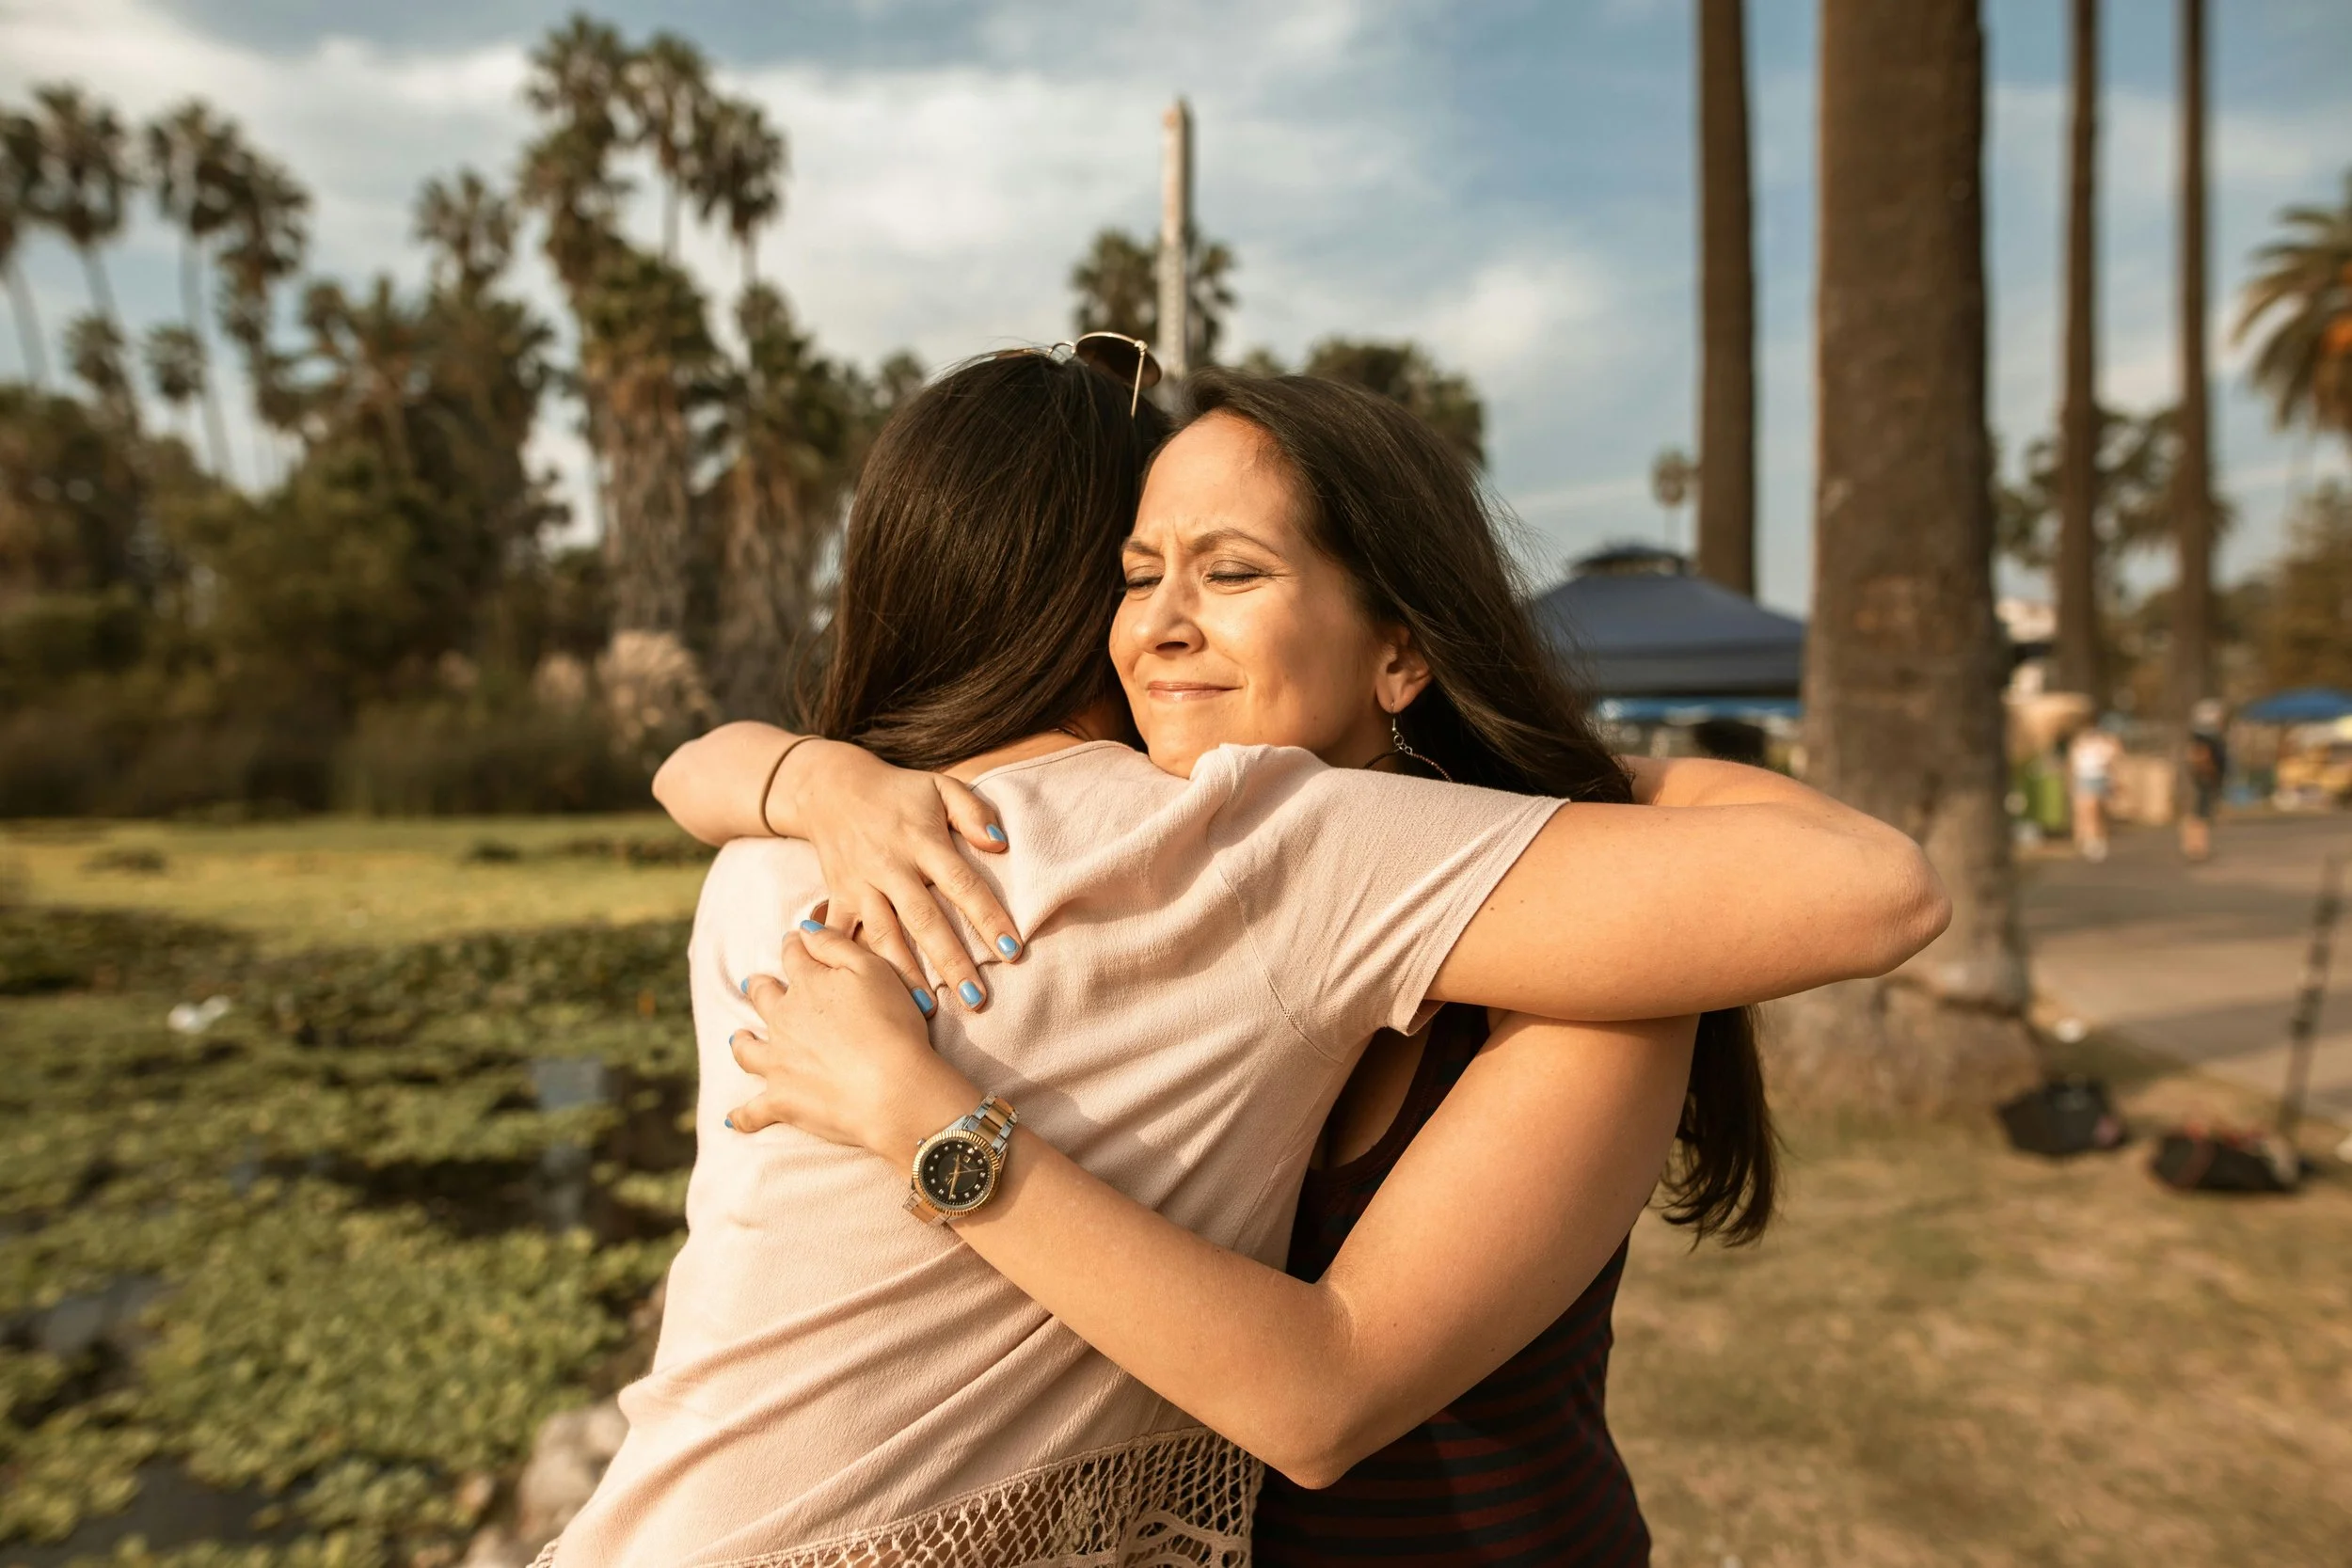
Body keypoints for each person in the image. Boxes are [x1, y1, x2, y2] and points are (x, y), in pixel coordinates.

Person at [559, 354, 1947, 1567]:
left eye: (1232, 571)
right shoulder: (1168, 869)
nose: (1163, 621)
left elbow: (1876, 887)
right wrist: (815, 777)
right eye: (1136, 573)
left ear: (1400, 651)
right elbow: (699, 769)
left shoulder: (1482, 937)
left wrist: (925, 1120)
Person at [2182, 699, 2228, 863]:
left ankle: (2198, 847)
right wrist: (2209, 774)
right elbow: (2199, 757)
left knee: (2202, 814)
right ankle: (2196, 848)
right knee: (2199, 815)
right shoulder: (2203, 738)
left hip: (2206, 778)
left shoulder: (2209, 737)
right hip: (2204, 778)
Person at [2067, 721, 2121, 863]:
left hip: (2098, 778)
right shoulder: (2079, 745)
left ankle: (2097, 840)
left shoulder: (2103, 744)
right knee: (2085, 811)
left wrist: (2113, 781)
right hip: (2084, 778)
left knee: (2096, 811)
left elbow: (2113, 760)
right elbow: (2073, 765)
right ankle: (2088, 840)